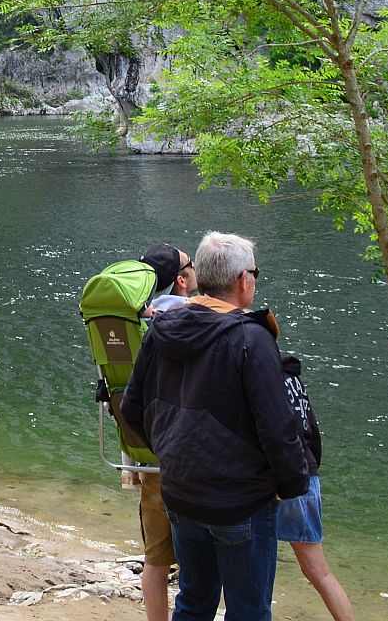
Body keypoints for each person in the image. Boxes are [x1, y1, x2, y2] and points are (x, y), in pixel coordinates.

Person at [120, 232, 310, 621]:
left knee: (193, 602)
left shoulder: (162, 329)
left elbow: (132, 408)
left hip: (181, 491)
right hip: (240, 500)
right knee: (248, 611)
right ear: (244, 280)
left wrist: (172, 452)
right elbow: (278, 428)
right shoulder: (251, 338)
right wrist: (290, 485)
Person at [127, 243, 194, 621]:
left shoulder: (138, 319)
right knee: (196, 563)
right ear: (182, 280)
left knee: (156, 560)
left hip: (149, 456)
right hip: (183, 458)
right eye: (191, 265)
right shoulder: (191, 317)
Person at [278, 352, 354, 621]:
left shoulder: (261, 375)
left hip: (280, 479)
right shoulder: (293, 378)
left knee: (249, 563)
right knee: (318, 571)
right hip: (307, 473)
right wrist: (312, 467)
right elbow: (311, 426)